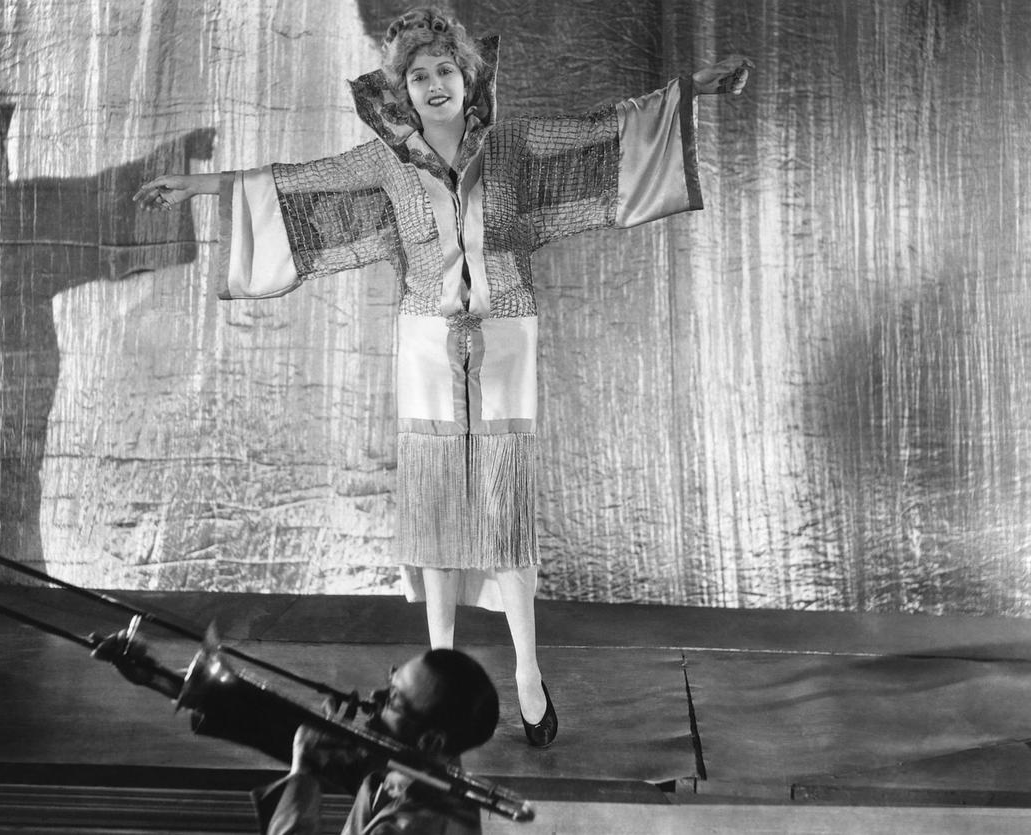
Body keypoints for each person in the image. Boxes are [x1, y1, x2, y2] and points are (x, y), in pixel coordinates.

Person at [134, 6, 751, 748]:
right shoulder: (386, 162)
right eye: (419, 75)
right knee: (434, 513)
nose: (434, 84)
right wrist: (196, 186)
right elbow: (297, 184)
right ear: (402, 91)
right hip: (426, 342)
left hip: (505, 334)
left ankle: (528, 671)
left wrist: (694, 89)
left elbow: (603, 130)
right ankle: (439, 673)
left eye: (445, 70)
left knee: (502, 508)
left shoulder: (513, 144)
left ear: (468, 77)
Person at [252, 648, 499, 835]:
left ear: (430, 742)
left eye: (393, 698)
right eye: (389, 680)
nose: (374, 696)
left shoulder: (412, 826)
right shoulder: (418, 769)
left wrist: (304, 771)